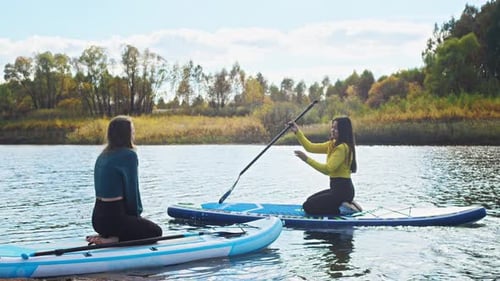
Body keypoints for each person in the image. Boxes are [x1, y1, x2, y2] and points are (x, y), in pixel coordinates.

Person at [86, 115, 162, 245]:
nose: (134, 133)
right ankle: (113, 240)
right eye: (132, 130)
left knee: (136, 225)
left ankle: (108, 235)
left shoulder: (103, 155)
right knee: (155, 232)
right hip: (114, 218)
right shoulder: (129, 155)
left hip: (97, 220)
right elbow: (132, 191)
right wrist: (136, 219)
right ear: (126, 134)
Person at [289, 116, 361, 215]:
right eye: (332, 127)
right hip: (338, 189)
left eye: (336, 128)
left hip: (342, 190)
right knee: (309, 200)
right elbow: (310, 147)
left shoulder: (342, 148)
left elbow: (328, 169)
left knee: (308, 206)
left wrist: (306, 159)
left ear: (343, 130)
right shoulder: (332, 144)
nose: (332, 130)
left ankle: (343, 209)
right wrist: (297, 132)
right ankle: (348, 203)